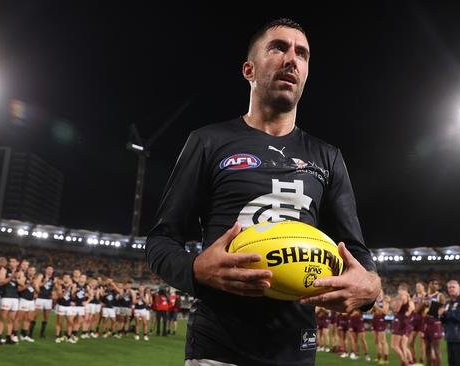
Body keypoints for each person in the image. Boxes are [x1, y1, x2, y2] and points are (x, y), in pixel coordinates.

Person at [145, 18, 380, 366]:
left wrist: (371, 286)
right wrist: (195, 269)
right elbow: (161, 241)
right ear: (249, 69)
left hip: (295, 352)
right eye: (278, 48)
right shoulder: (208, 141)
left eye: (302, 53)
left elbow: (356, 252)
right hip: (217, 350)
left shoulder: (327, 157)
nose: (292, 59)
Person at [440, 280, 460, 366]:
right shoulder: (448, 303)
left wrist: (445, 313)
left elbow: (459, 316)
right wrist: (440, 315)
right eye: (449, 287)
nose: (451, 289)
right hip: (450, 336)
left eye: (453, 287)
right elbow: (444, 320)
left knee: (459, 363)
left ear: (459, 288)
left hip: (459, 336)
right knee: (451, 362)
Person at [422, 279, 445, 366]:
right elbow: (420, 309)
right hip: (426, 323)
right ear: (429, 285)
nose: (435, 285)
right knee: (427, 348)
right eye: (433, 283)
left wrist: (437, 313)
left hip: (435, 322)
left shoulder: (440, 295)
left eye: (437, 284)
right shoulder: (425, 296)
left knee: (436, 348)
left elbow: (443, 307)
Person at [391, 283, 414, 366]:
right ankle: (409, 362)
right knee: (402, 345)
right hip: (405, 322)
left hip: (399, 321)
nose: (398, 291)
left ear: (401, 289)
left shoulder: (401, 297)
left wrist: (393, 304)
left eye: (399, 290)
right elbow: (411, 310)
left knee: (394, 345)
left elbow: (396, 309)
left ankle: (404, 362)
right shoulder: (409, 299)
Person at [410, 282, 427, 366]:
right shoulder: (414, 296)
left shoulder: (426, 296)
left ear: (423, 287)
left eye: (419, 286)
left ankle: (421, 361)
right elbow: (412, 308)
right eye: (416, 286)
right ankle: (413, 360)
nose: (417, 288)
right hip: (414, 320)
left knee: (422, 342)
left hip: (423, 320)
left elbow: (424, 307)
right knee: (410, 341)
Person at [371, 291, 390, 365]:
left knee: (382, 341)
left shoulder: (385, 302)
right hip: (374, 321)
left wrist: (376, 307)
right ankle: (379, 357)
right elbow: (371, 312)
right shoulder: (374, 302)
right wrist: (372, 308)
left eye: (380, 293)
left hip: (381, 321)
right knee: (376, 341)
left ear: (382, 294)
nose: (378, 294)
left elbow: (385, 312)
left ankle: (385, 359)